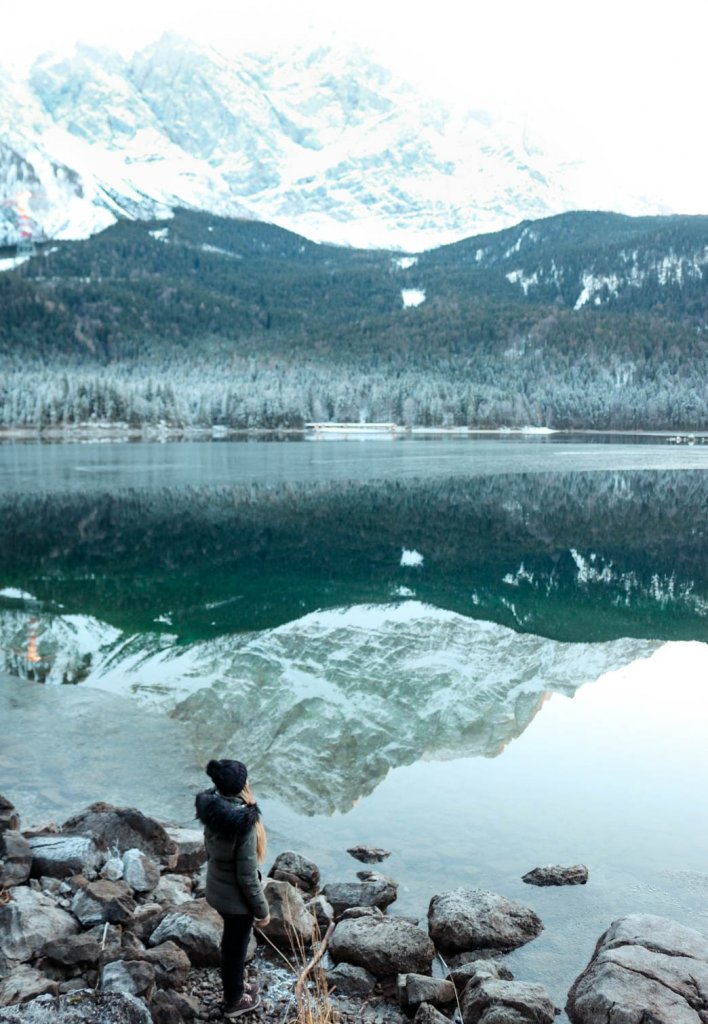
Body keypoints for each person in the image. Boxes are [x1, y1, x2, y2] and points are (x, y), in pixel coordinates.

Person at [195, 759, 271, 1019]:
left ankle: (236, 986)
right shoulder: (244, 825)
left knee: (232, 944)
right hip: (237, 903)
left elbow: (210, 849)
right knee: (235, 949)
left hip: (217, 890)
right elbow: (248, 877)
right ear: (242, 786)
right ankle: (234, 1000)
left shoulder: (210, 809)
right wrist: (263, 911)